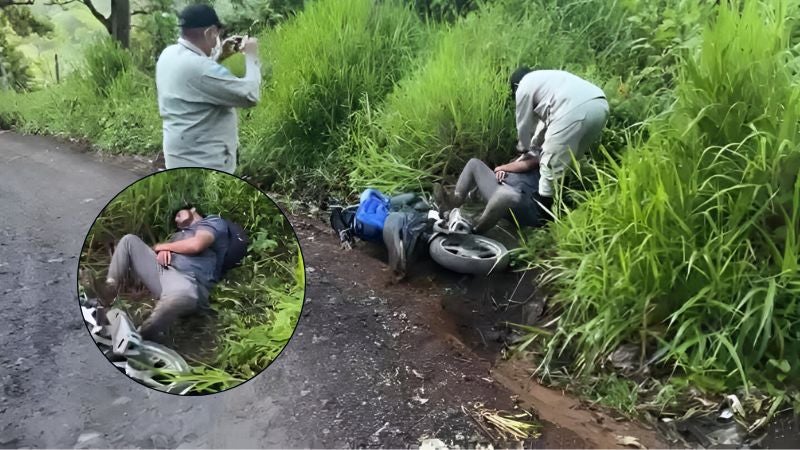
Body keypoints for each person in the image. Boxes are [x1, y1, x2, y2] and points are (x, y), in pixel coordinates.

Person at [89, 205, 230, 343]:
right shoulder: (177, 236)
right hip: (163, 273)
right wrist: (163, 251)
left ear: (192, 209)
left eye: (178, 214)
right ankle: (106, 296)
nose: (176, 219)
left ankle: (140, 335)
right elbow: (160, 252)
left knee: (182, 294)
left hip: (187, 278)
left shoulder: (211, 222)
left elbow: (196, 245)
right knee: (129, 240)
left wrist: (162, 246)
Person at [155, 4, 262, 173]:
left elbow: (197, 80)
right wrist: (252, 55)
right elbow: (250, 95)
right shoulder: (199, 68)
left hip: (179, 159)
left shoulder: (168, 54)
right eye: (217, 35)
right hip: (205, 166)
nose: (216, 40)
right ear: (210, 32)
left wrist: (219, 55)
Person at [509, 67, 610, 223]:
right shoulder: (546, 80)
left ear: (515, 87)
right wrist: (535, 146)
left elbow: (523, 124)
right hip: (599, 106)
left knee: (550, 161)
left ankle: (544, 215)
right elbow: (545, 124)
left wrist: (523, 148)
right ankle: (563, 202)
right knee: (568, 158)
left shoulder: (523, 86)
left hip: (573, 110)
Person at [434, 154, 541, 234]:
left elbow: (533, 162)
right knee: (474, 163)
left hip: (523, 200)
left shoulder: (549, 152)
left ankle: (473, 231)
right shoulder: (528, 151)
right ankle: (451, 205)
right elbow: (516, 165)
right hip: (502, 185)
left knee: (504, 196)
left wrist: (501, 168)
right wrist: (504, 172)